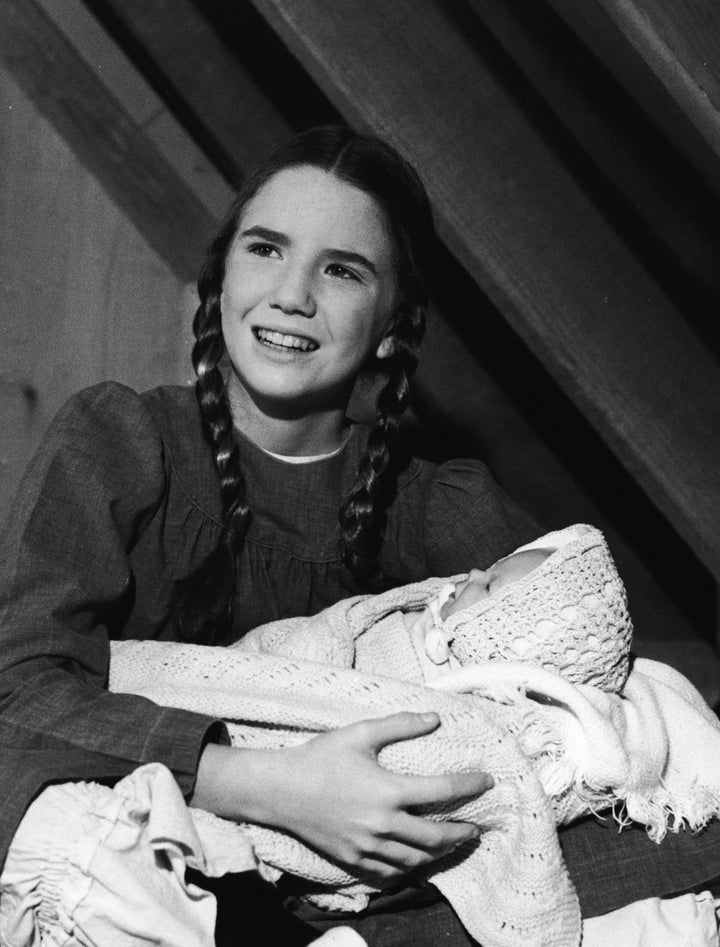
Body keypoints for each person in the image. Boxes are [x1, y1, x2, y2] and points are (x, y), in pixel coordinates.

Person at [0, 125, 539, 947]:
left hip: (340, 896)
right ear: (220, 283)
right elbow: (19, 686)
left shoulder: (432, 505)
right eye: (266, 249)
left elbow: (577, 638)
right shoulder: (118, 441)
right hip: (148, 854)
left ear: (392, 327)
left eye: (342, 269)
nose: (293, 293)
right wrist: (273, 786)